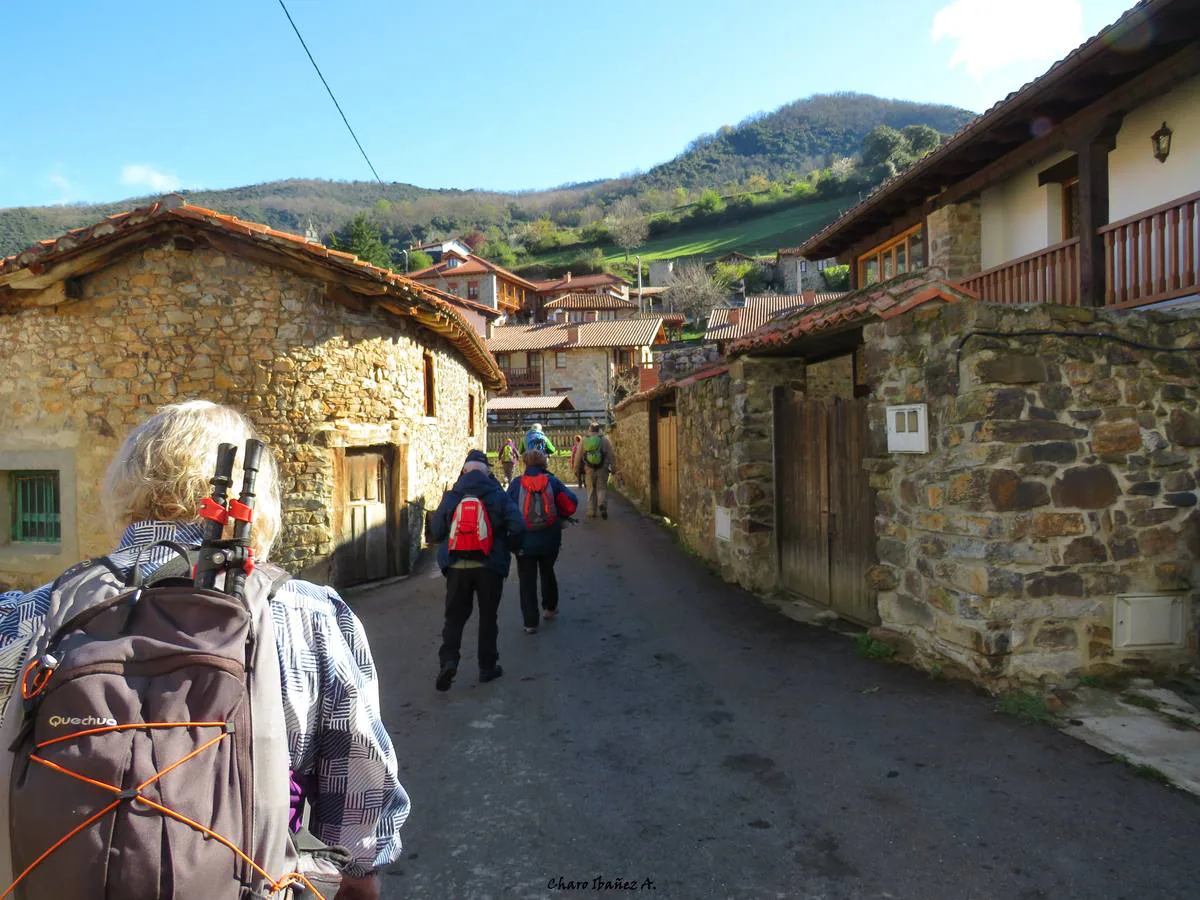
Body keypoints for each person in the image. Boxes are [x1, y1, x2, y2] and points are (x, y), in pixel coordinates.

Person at [0, 400, 407, 900]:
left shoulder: (28, 616)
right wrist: (361, 876)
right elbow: (360, 790)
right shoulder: (310, 616)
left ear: (126, 487)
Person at [428, 449, 524, 691]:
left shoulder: (452, 496)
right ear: (488, 471)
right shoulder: (497, 495)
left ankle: (448, 661)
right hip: (490, 566)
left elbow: (437, 532)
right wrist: (511, 547)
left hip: (457, 567)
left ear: (464, 470)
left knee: (454, 618)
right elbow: (518, 526)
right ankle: (487, 667)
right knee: (488, 617)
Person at [508, 449, 577, 633]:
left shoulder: (516, 484)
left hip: (524, 541)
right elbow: (572, 503)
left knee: (526, 579)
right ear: (543, 463)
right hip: (550, 538)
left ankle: (530, 623)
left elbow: (507, 511)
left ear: (525, 463)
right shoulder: (552, 482)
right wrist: (560, 515)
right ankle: (550, 608)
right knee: (547, 571)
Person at [581, 421, 616, 520]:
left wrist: (575, 467)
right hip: (603, 467)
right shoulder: (605, 440)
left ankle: (592, 511)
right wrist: (613, 467)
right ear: (599, 430)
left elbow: (579, 454)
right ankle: (602, 504)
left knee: (591, 489)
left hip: (589, 468)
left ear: (590, 430)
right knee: (602, 488)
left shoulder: (584, 440)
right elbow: (611, 455)